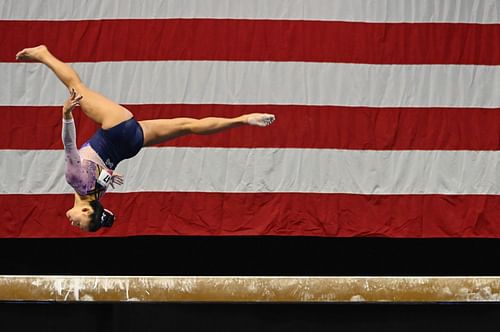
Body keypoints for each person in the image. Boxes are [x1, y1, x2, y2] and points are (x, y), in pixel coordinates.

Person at [16, 45, 275, 233]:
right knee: (77, 86)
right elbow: (69, 145)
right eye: (79, 224)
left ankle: (241, 120)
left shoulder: (97, 194)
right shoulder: (77, 182)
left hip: (131, 144)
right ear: (86, 210)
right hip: (116, 129)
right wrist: (66, 115)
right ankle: (44, 54)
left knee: (188, 126)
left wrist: (106, 181)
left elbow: (100, 176)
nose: (73, 223)